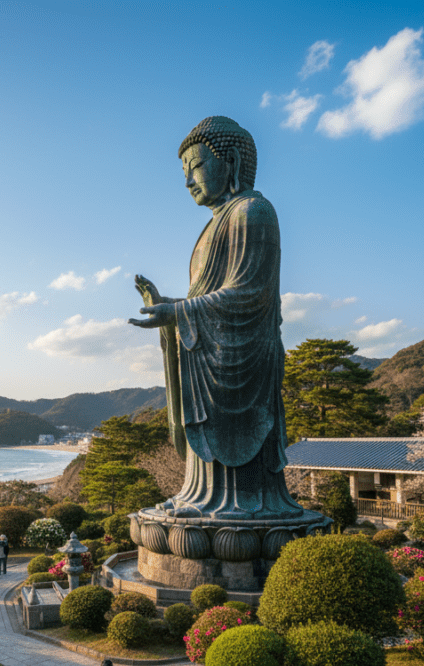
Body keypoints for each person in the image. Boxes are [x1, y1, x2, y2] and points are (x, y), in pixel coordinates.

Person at [129, 116, 304, 521]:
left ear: (232, 162)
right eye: (185, 173)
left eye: (196, 167)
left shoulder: (253, 212)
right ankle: (199, 494)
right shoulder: (211, 228)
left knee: (240, 475)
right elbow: (206, 296)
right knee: (204, 452)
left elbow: (250, 293)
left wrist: (178, 312)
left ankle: (243, 503)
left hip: (242, 359)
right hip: (211, 355)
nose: (188, 181)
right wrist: (169, 307)